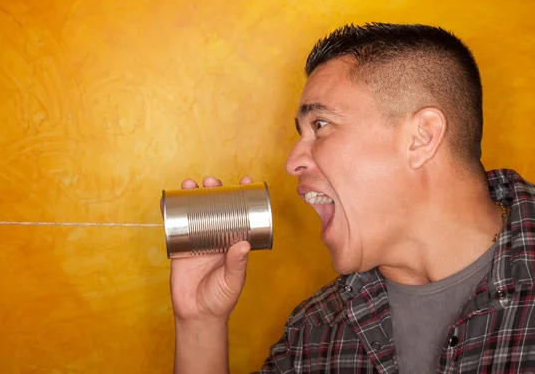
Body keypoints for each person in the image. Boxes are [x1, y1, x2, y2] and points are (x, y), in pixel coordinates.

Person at [167, 23, 535, 373]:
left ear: (422, 137)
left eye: (321, 125)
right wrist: (200, 323)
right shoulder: (314, 332)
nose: (292, 161)